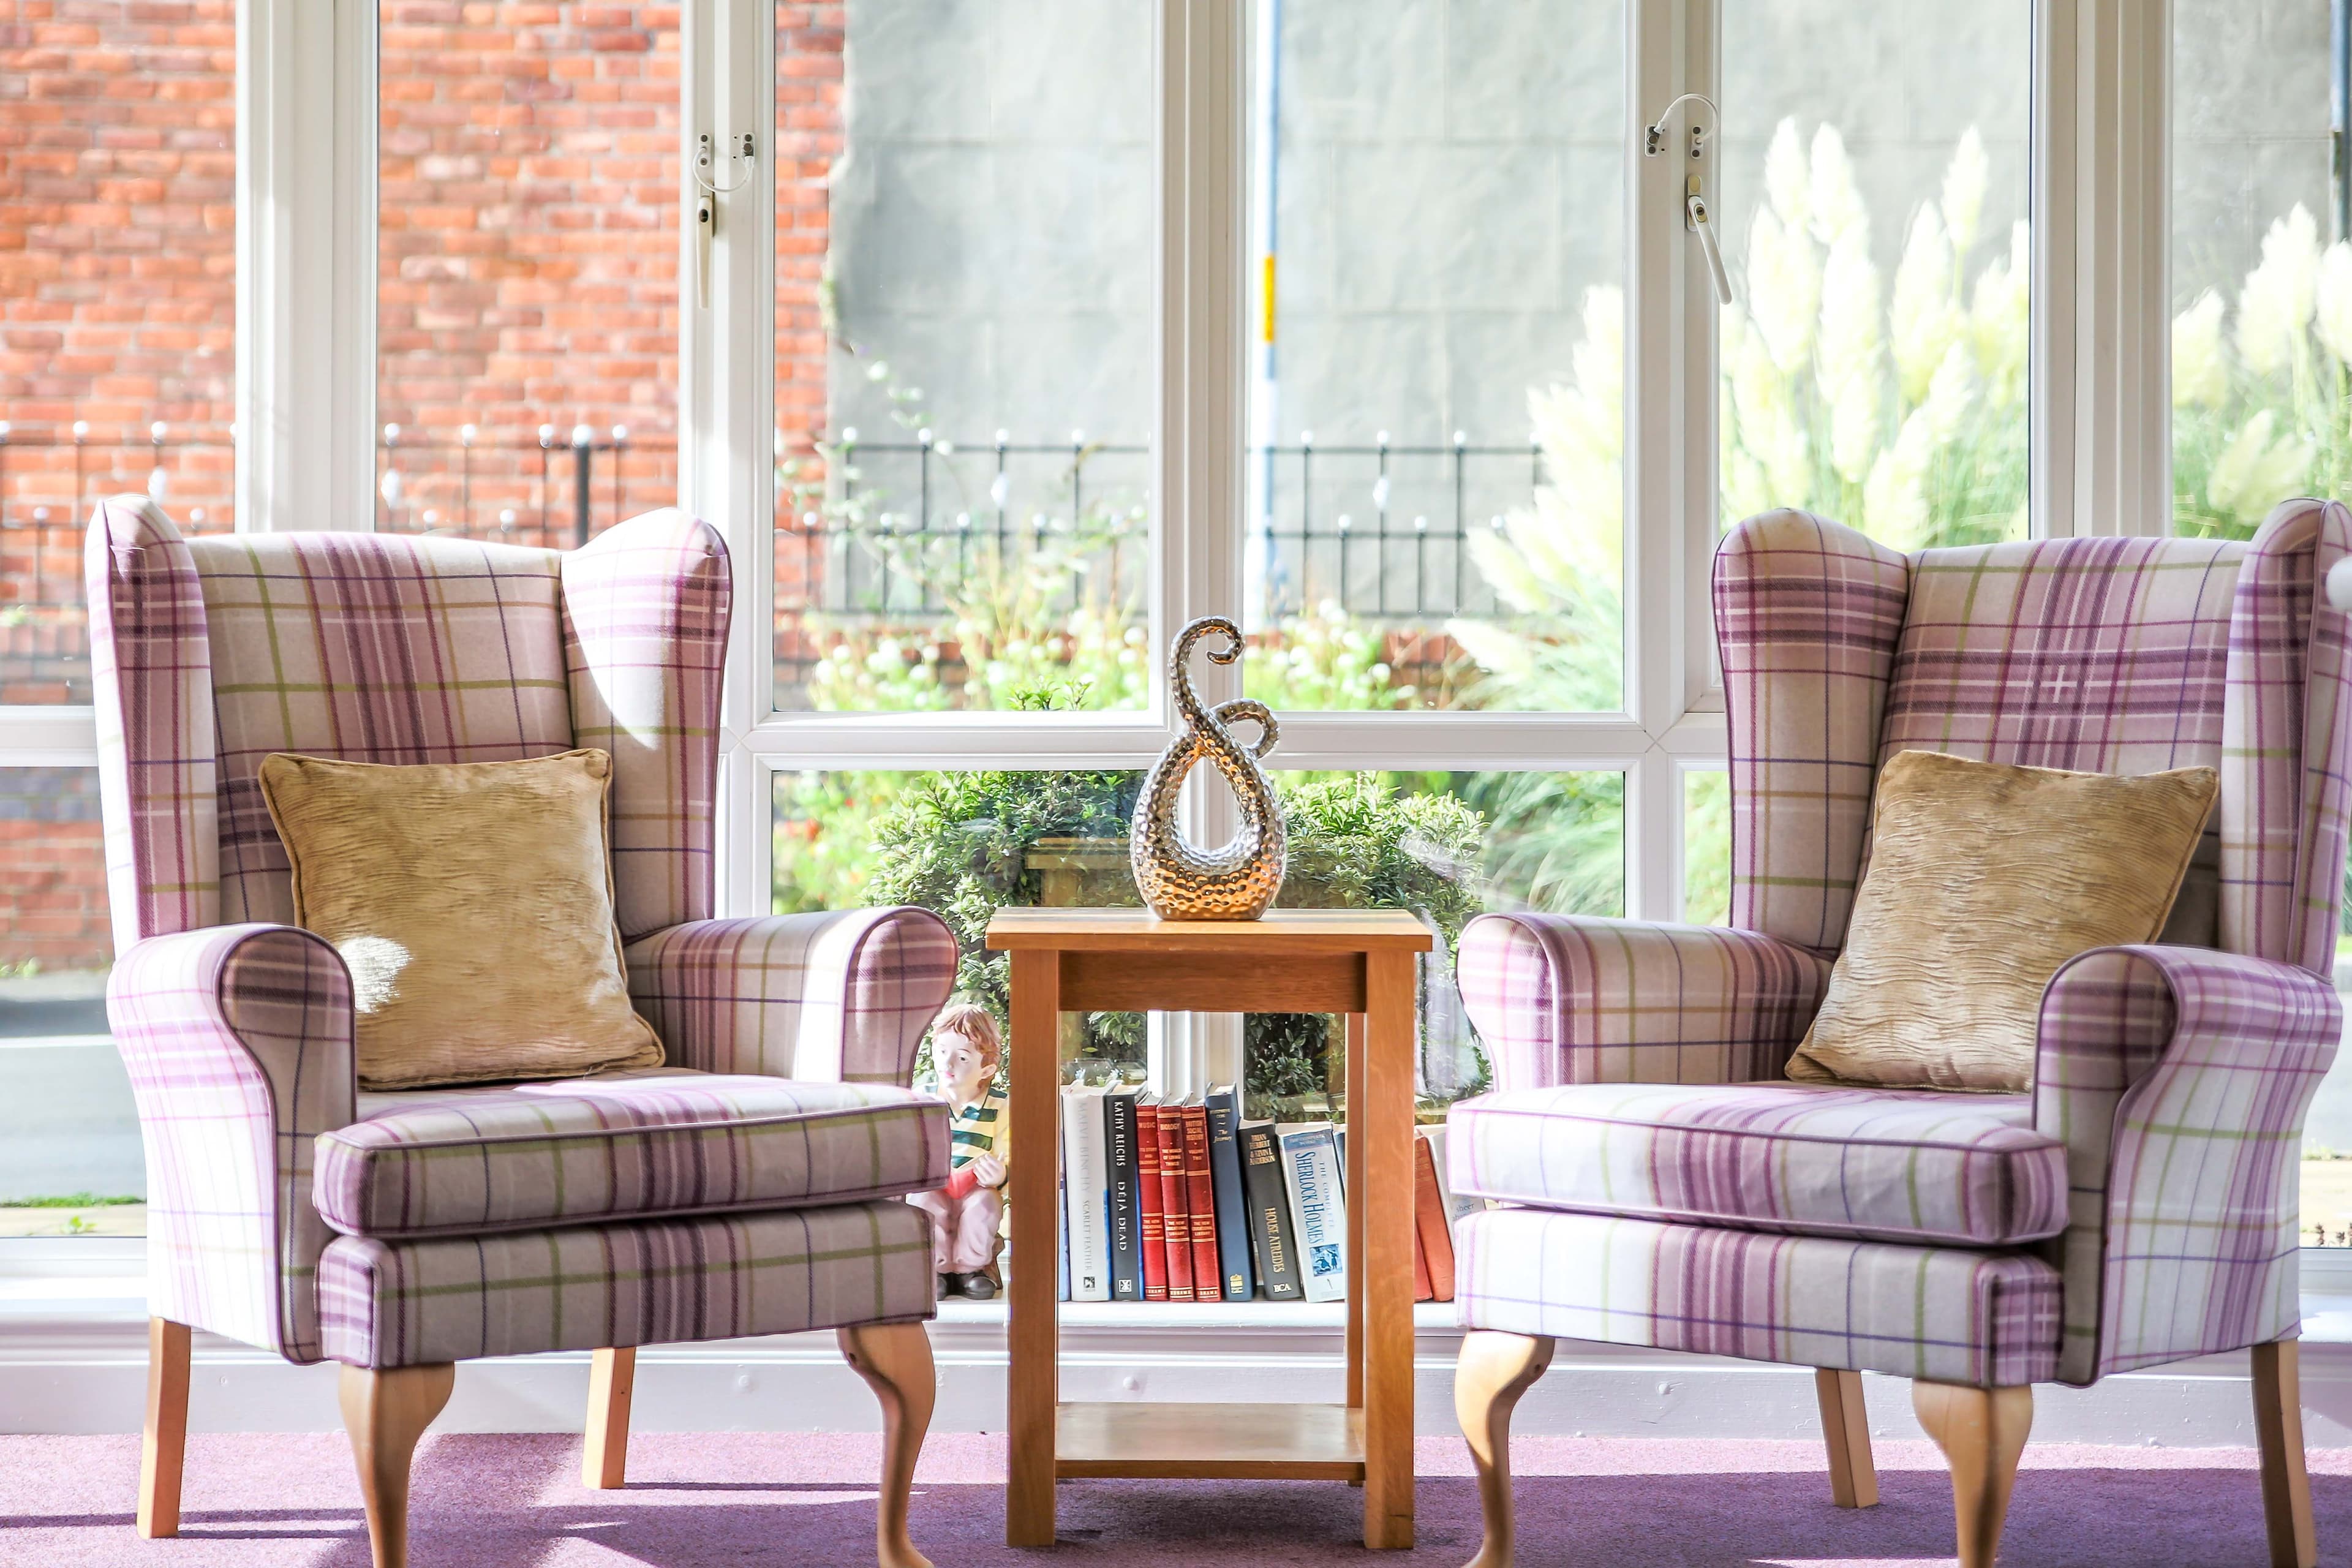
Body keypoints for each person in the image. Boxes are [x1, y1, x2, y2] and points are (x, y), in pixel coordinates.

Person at [907, 1003, 1009, 1300]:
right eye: (941, 1052)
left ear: (987, 1068)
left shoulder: (1000, 1106)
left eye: (963, 1057)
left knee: (983, 1208)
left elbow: (1008, 1148)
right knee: (924, 1205)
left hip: (975, 1185)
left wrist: (1001, 1173)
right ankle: (938, 1270)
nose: (948, 1064)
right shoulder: (921, 1099)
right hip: (935, 1183)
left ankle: (969, 1270)